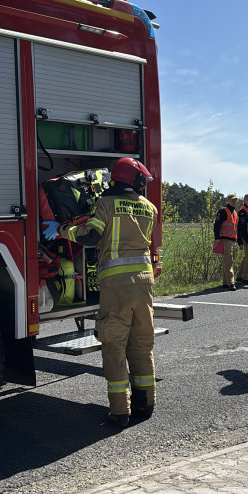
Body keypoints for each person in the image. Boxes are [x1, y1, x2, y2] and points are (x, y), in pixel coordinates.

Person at [44, 157, 158, 428]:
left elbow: (89, 237)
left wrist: (62, 229)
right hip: (144, 284)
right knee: (142, 345)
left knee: (115, 346)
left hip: (116, 286)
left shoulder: (106, 204)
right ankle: (145, 403)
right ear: (135, 180)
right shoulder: (150, 207)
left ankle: (120, 411)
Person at [214, 194, 239, 290]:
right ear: (227, 201)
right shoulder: (223, 211)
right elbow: (217, 225)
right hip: (225, 240)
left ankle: (225, 282)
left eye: (235, 200)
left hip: (233, 240)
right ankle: (231, 283)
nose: (234, 202)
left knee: (229, 261)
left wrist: (239, 241)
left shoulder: (235, 213)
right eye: (232, 200)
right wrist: (217, 238)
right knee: (228, 262)